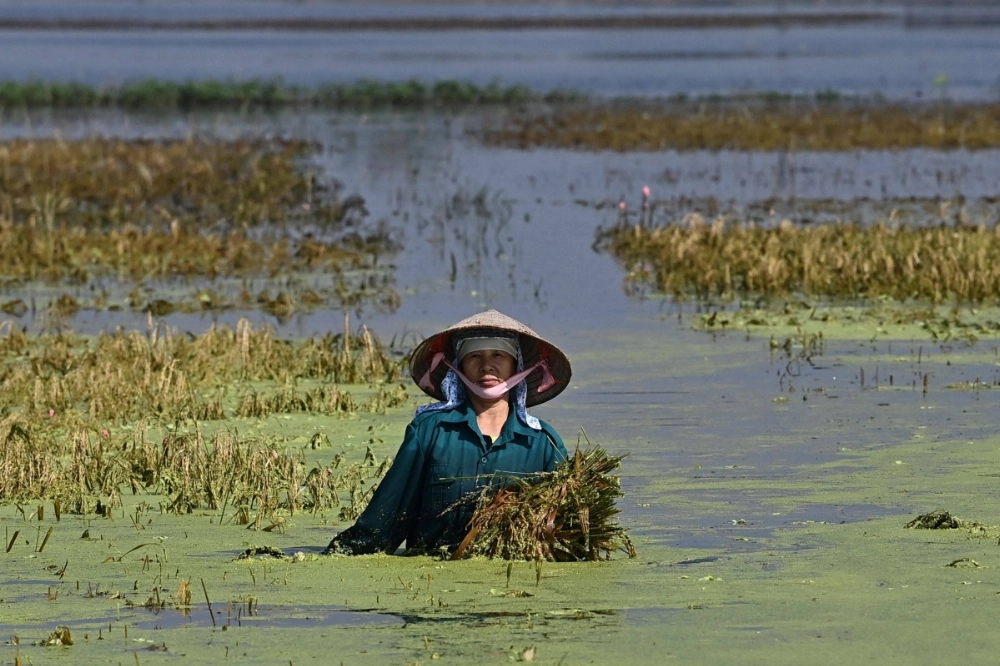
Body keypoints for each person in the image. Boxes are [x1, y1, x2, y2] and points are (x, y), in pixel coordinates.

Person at [324, 309, 572, 556]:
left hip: (514, 581)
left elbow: (564, 527)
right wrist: (338, 556)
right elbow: (389, 512)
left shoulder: (544, 443)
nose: (487, 366)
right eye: (474, 356)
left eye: (498, 355)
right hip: (429, 577)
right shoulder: (430, 430)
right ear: (458, 366)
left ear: (515, 365)